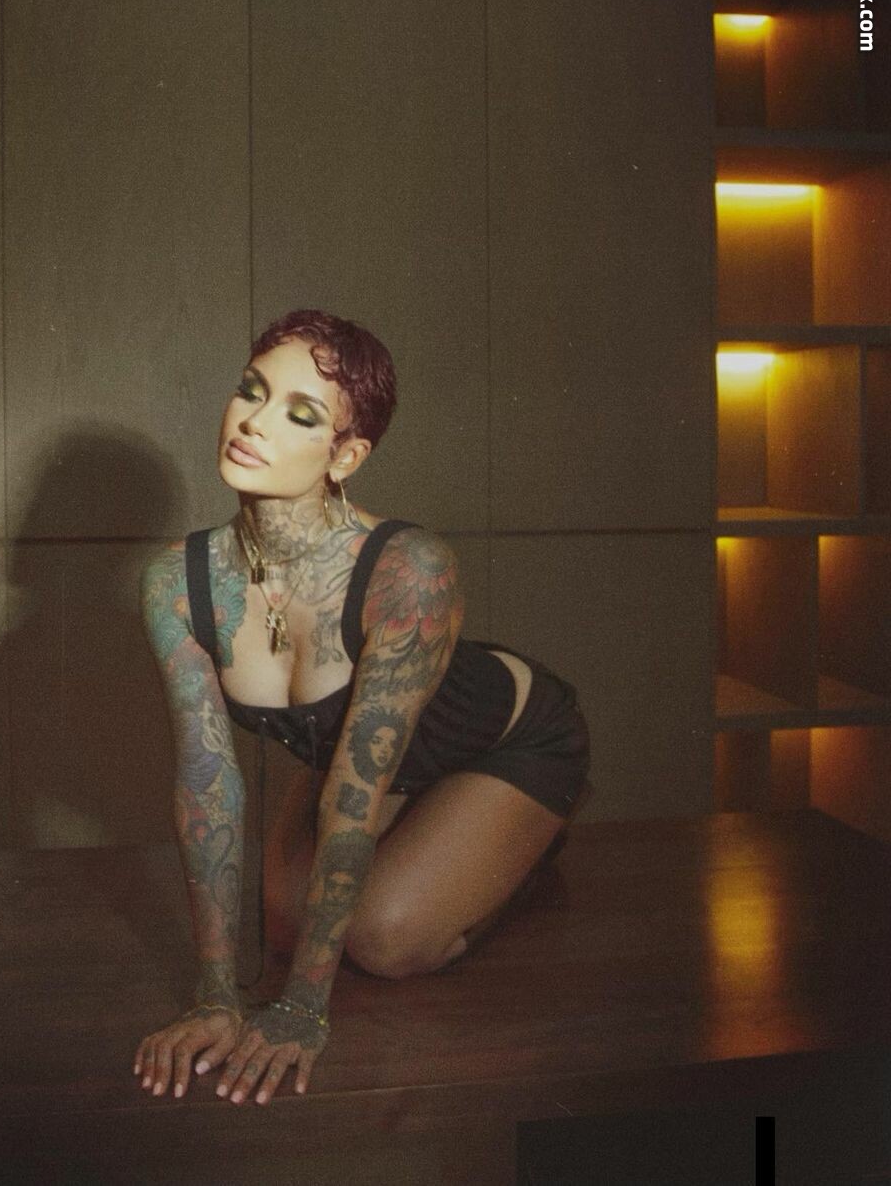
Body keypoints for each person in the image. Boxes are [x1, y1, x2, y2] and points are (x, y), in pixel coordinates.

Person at [133, 308, 591, 1108]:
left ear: (346, 456)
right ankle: (452, 841)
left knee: (383, 937)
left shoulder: (410, 568)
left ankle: (527, 851)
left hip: (508, 741)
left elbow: (354, 789)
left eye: (300, 413)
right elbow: (209, 783)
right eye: (251, 390)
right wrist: (215, 996)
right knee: (283, 924)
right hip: (367, 759)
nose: (253, 420)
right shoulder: (177, 581)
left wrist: (302, 1009)